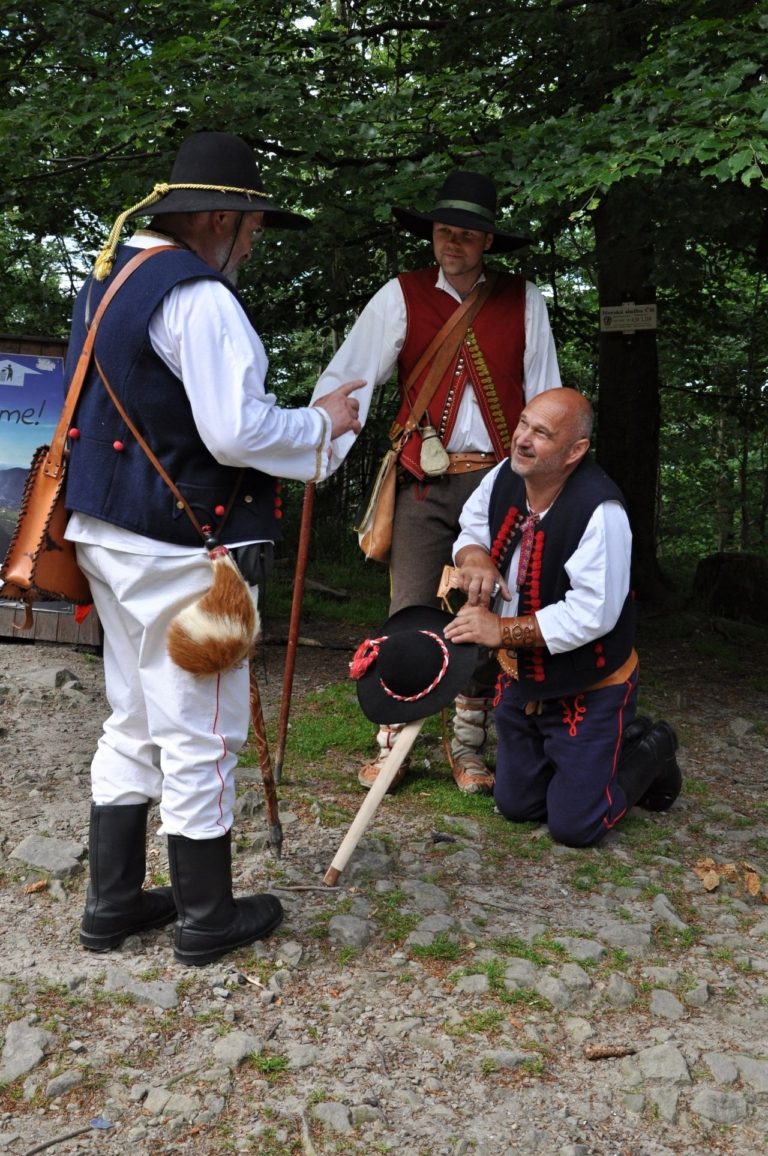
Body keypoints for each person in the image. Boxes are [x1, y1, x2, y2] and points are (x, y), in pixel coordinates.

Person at [64, 131, 364, 965]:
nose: (256, 238)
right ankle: (206, 919)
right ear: (214, 220)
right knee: (202, 731)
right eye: (251, 223)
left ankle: (114, 905)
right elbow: (237, 432)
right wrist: (324, 426)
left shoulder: (110, 279)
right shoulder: (201, 297)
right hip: (181, 550)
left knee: (132, 717)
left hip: (110, 535)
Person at [311, 170, 561, 794]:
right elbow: (351, 381)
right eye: (444, 231)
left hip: (498, 484)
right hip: (421, 480)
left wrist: (548, 488)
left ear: (486, 242)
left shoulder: (524, 301)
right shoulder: (399, 296)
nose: (453, 242)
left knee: (484, 613)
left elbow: (548, 397)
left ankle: (468, 748)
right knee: (411, 610)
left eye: (467, 234)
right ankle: (394, 743)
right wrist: (314, 448)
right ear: (433, 235)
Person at [444, 388, 681, 847]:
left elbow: (594, 613)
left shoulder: (601, 510)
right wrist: (474, 557)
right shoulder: (504, 476)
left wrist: (501, 630)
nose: (523, 440)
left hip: (587, 687)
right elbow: (473, 524)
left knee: (575, 827)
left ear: (575, 451)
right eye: (524, 424)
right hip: (523, 680)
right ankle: (587, 758)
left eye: (542, 433)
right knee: (517, 807)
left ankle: (652, 746)